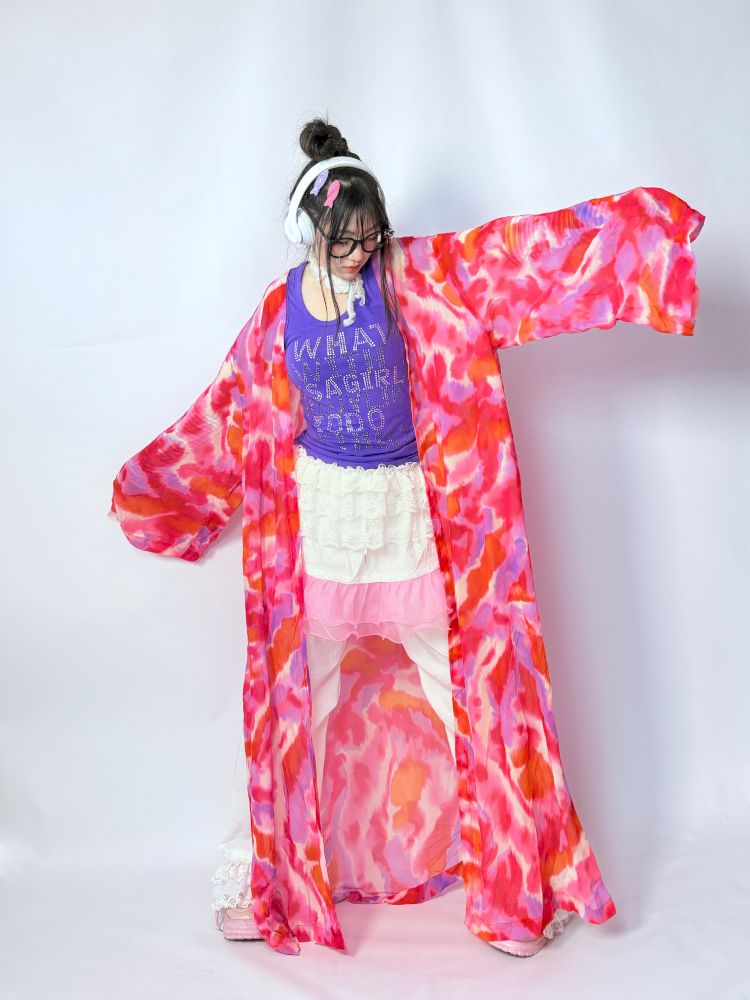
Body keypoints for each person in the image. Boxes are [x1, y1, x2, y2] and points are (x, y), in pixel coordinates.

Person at [109, 117, 705, 958]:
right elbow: (230, 412)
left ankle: (518, 883)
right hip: (324, 522)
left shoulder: (417, 277)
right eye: (343, 241)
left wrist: (643, 239)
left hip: (410, 516)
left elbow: (524, 260)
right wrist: (161, 495)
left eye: (370, 238)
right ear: (306, 231)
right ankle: (261, 875)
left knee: (462, 688)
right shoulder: (279, 311)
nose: (359, 254)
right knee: (298, 705)